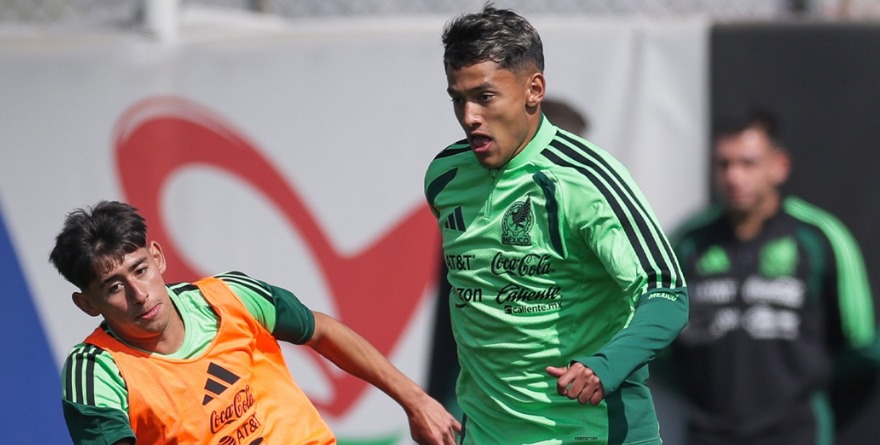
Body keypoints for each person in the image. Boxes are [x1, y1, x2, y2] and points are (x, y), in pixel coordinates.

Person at [423, 4, 689, 444]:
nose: (469, 116)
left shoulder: (585, 179)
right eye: (458, 99)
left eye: (485, 97)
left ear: (534, 89)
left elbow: (667, 292)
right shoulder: (444, 177)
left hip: (591, 433)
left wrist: (605, 366)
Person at [50, 200, 461, 445]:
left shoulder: (230, 295)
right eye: (114, 287)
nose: (139, 294)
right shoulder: (96, 370)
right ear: (87, 304)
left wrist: (416, 400)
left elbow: (321, 331)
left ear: (157, 258)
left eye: (140, 270)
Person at [667, 108, 878, 445]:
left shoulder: (819, 237)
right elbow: (660, 345)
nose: (734, 177)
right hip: (708, 434)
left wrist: (805, 383)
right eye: (724, 164)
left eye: (748, 163)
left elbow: (862, 343)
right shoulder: (687, 243)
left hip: (796, 433)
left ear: (779, 166)